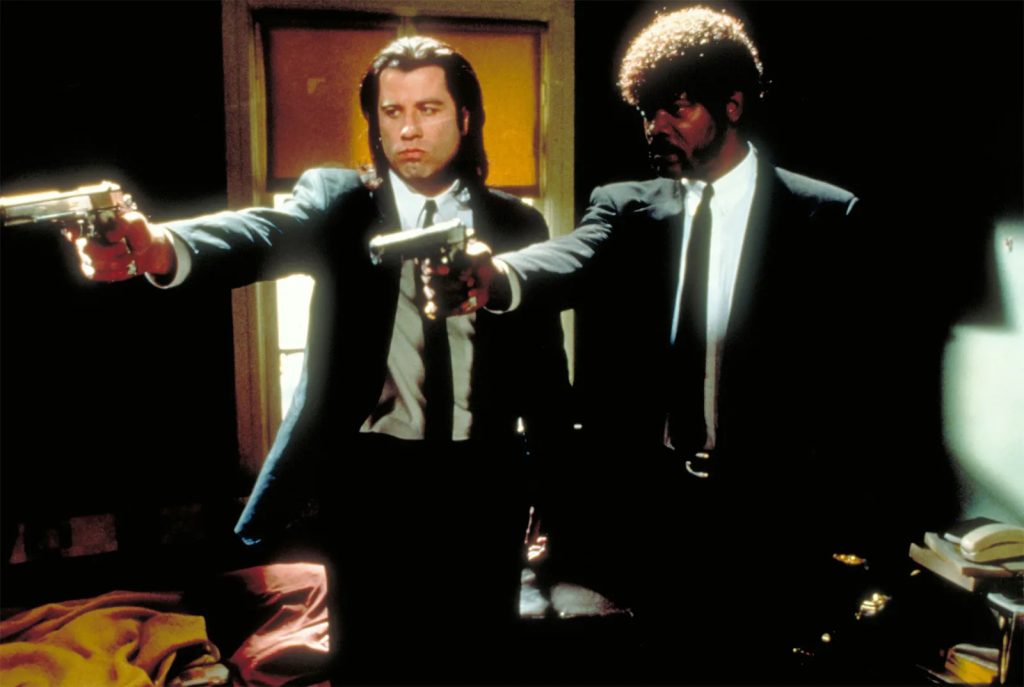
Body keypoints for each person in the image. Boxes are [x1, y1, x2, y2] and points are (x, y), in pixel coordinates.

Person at [431, 6, 957, 683]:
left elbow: (867, 380)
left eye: (677, 108)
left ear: (731, 105)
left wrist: (861, 526)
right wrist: (497, 274)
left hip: (770, 518)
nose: (657, 127)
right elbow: (571, 256)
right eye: (647, 112)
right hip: (655, 511)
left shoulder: (823, 216)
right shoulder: (626, 206)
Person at [72, 36, 570, 685]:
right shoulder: (339, 203)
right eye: (392, 112)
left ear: (465, 117)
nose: (409, 128)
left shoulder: (519, 225)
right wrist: (160, 246)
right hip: (375, 481)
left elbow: (544, 367)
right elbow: (263, 232)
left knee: (481, 659)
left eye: (428, 109)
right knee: (372, 662)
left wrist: (557, 493)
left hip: (484, 479)